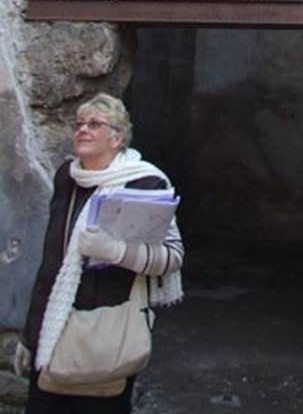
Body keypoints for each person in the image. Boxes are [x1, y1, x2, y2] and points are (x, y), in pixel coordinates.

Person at [14, 92, 184, 413]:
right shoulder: (67, 177)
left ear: (117, 137)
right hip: (54, 330)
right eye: (78, 123)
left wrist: (114, 250)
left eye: (94, 124)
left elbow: (172, 257)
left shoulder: (145, 182)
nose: (82, 130)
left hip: (107, 334)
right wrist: (29, 333)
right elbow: (51, 264)